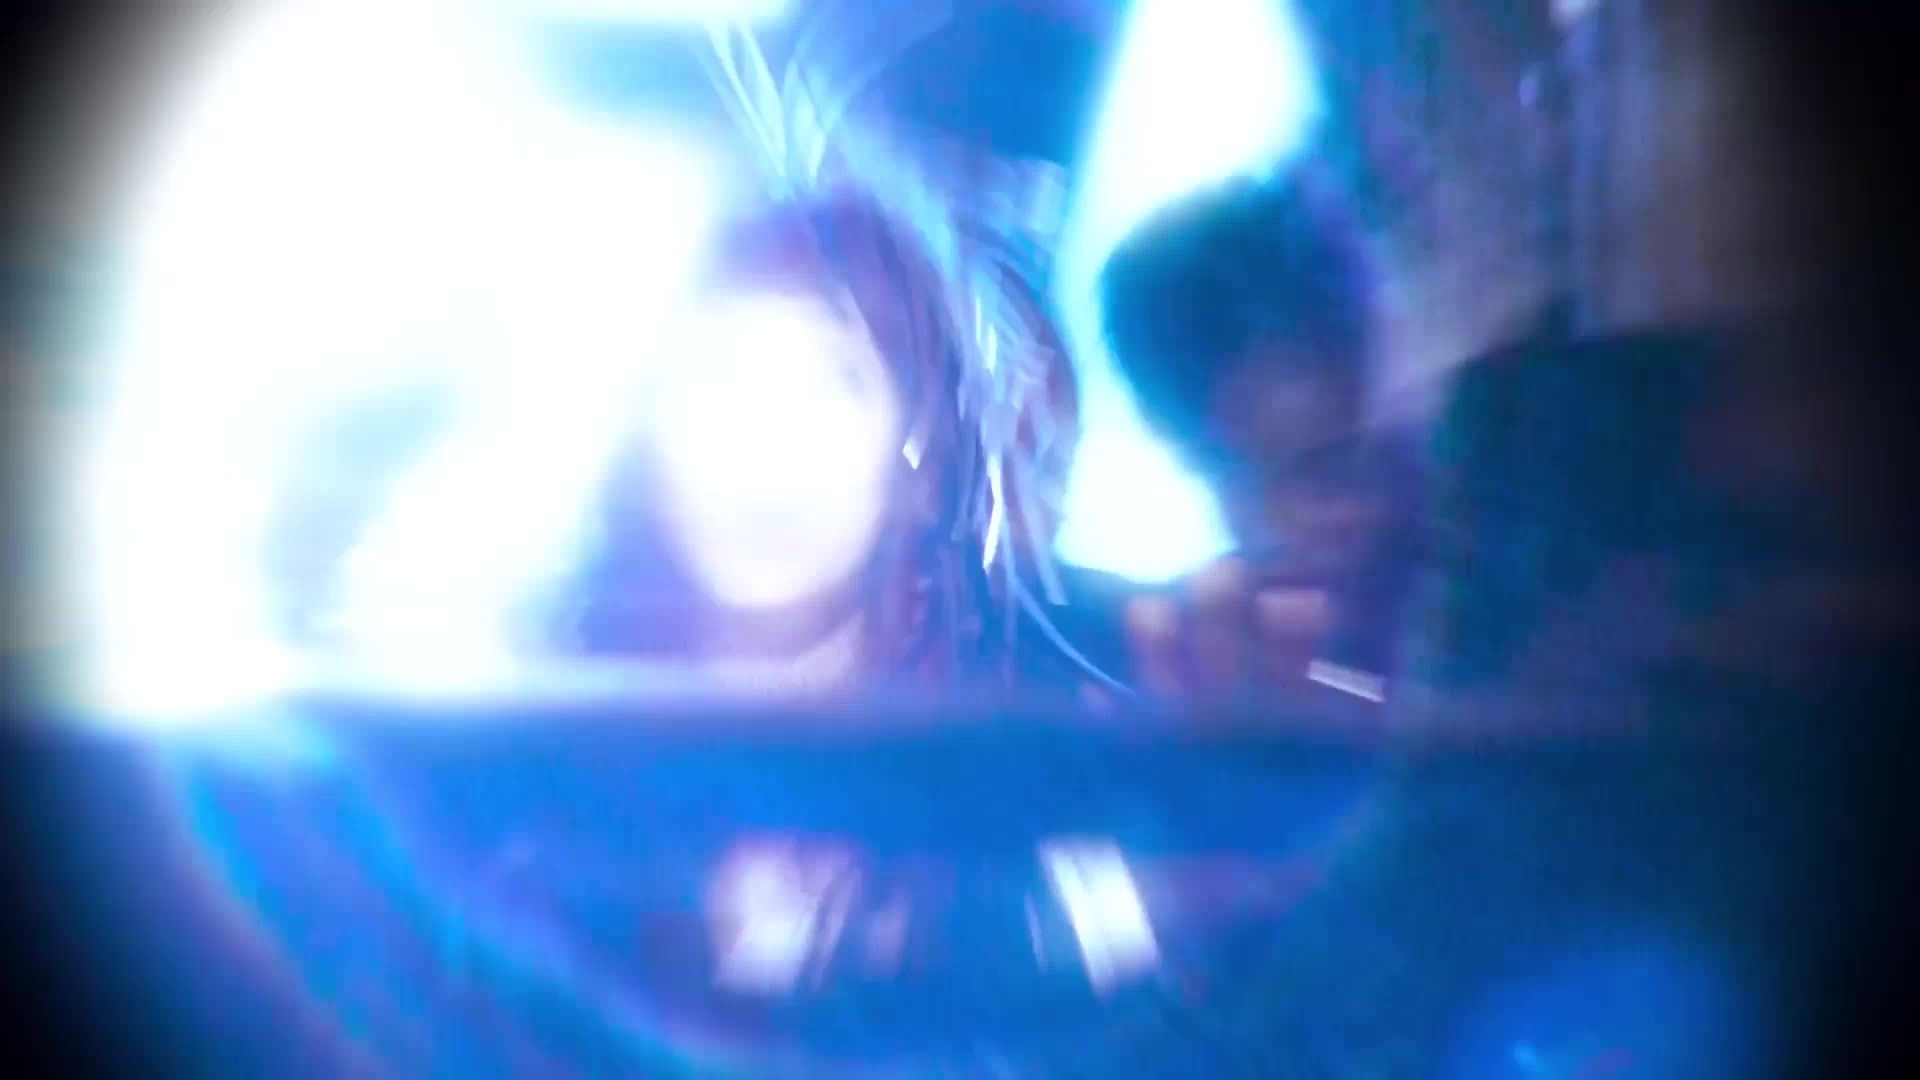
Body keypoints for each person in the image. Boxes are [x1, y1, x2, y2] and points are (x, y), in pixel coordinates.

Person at [564, 189, 1011, 700]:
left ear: (921, 467)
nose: (768, 433)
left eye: (835, 380)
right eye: (720, 372)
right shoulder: (540, 702)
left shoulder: (1006, 728)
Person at [1084, 172, 1424, 700]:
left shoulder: (1502, 582)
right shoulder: (1195, 668)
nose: (1348, 515)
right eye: (1304, 476)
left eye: (1347, 465)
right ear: (1190, 455)